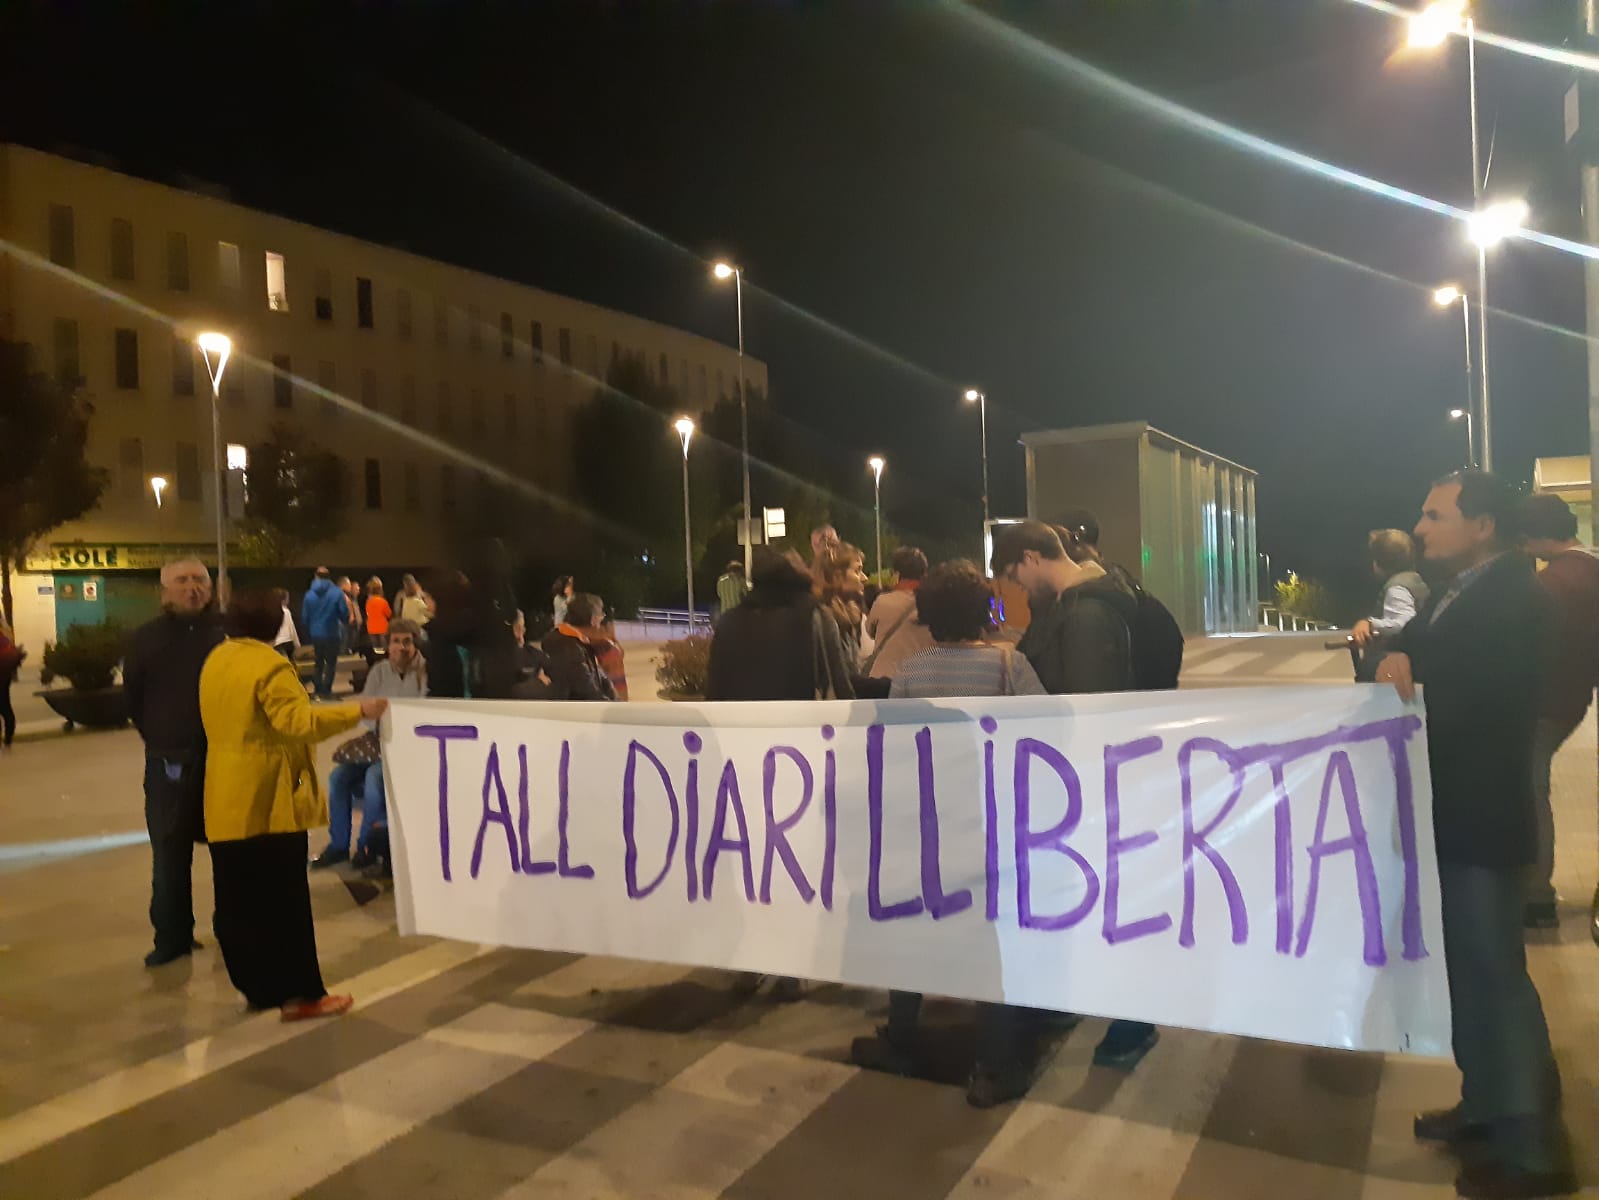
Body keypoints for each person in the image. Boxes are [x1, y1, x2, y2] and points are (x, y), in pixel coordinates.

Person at [1374, 471, 1574, 1199]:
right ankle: (1485, 1105)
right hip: (1451, 812)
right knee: (1467, 972)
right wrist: (1388, 657)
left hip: (1479, 815)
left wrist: (1411, 678)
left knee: (1494, 975)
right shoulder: (1460, 595)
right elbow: (1408, 653)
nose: (1421, 529)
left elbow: (1467, 702)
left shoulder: (1514, 600)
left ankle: (1532, 1151)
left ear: (1483, 526)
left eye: (1434, 516)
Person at [850, 560, 1048, 1107]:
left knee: (912, 930)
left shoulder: (911, 672)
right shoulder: (1011, 666)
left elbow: (892, 744)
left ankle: (901, 1036)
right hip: (991, 821)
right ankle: (993, 1065)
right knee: (992, 938)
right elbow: (1050, 736)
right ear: (985, 610)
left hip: (927, 824)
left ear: (929, 616)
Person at [991, 520, 1160, 1070]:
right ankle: (1102, 1007)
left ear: (1035, 558)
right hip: (1085, 780)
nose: (1014, 590)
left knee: (1109, 903)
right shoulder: (1091, 599)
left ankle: (1132, 1021)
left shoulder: (1086, 613)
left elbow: (1086, 711)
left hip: (1088, 781)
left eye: (1014, 576)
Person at [200, 587, 385, 1020]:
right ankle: (302, 995)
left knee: (238, 902)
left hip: (225, 797)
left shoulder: (216, 660)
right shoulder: (270, 665)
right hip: (269, 800)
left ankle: (258, 989)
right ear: (276, 623)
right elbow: (296, 722)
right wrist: (357, 711)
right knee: (285, 905)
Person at [707, 547, 853, 1001]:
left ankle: (752, 958)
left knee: (749, 858)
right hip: (799, 758)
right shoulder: (814, 617)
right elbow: (839, 682)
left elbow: (715, 687)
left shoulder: (729, 622)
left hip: (740, 755)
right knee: (795, 857)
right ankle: (792, 965)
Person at [122, 559, 225, 967]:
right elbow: (133, 700)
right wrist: (163, 738)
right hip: (169, 764)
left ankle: (230, 930)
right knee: (169, 855)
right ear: (165, 591)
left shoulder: (227, 635)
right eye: (181, 581)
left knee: (227, 852)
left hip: (223, 761)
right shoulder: (145, 639)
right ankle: (172, 937)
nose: (192, 588)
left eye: (199, 580)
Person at [1517, 492, 1599, 932]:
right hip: (1572, 700)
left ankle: (1536, 894)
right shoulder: (1590, 568)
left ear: (1532, 536)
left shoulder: (1556, 584)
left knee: (1530, 794)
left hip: (1546, 703)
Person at [311, 619, 426, 870]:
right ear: (388, 645)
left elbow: (423, 715)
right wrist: (379, 722)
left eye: (407, 641)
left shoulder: (425, 673)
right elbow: (365, 712)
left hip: (408, 748)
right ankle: (339, 845)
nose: (402, 647)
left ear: (415, 643)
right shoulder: (380, 672)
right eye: (396, 641)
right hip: (376, 743)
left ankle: (366, 846)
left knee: (375, 779)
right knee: (338, 778)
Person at [1351, 529, 1430, 683]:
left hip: (1399, 663)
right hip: (1417, 659)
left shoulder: (1397, 588)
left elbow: (1404, 622)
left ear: (1378, 563)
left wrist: (1370, 624)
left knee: (1367, 670)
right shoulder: (1416, 580)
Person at [862, 545, 934, 681]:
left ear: (897, 574)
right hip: (920, 680)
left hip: (883, 679)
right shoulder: (932, 604)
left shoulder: (882, 601)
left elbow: (870, 631)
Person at [542, 593, 618, 701]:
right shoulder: (566, 645)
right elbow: (586, 691)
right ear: (593, 620)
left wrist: (614, 699)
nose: (601, 621)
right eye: (601, 616)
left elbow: (602, 679)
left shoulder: (578, 641)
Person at [816, 542, 868, 665]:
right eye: (857, 571)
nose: (864, 577)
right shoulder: (823, 618)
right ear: (838, 576)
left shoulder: (848, 616)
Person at [301, 568, 347, 700]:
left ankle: (317, 689)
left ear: (316, 576)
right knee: (331, 663)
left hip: (316, 634)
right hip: (332, 632)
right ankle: (327, 690)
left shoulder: (309, 594)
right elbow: (344, 613)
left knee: (318, 662)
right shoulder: (337, 593)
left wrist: (311, 626)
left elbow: (305, 617)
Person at [0, 613, 24, 750]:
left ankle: (8, 737)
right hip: (5, 676)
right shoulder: (5, 634)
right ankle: (8, 738)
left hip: (2, 675)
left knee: (4, 707)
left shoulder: (3, 636)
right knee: (5, 706)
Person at [363, 576, 391, 667]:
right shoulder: (383, 602)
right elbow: (389, 614)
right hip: (382, 628)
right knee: (384, 650)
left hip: (371, 628)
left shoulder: (368, 601)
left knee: (376, 650)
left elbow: (368, 613)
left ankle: (377, 666)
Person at [271, 588, 300, 661]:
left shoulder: (272, 612)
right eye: (287, 598)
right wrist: (297, 643)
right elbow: (291, 627)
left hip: (277, 643)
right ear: (283, 600)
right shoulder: (286, 611)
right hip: (287, 641)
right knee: (290, 661)